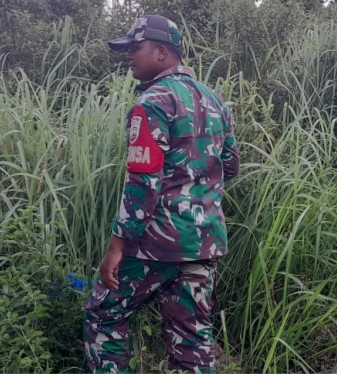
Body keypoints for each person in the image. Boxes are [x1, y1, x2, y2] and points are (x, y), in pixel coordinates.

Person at [82, 15, 239, 374]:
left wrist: (116, 248)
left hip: (157, 243)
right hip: (203, 242)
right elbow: (229, 166)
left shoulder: (152, 103)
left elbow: (142, 183)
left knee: (102, 315)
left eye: (135, 48)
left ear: (162, 52)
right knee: (193, 338)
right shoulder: (215, 101)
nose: (129, 57)